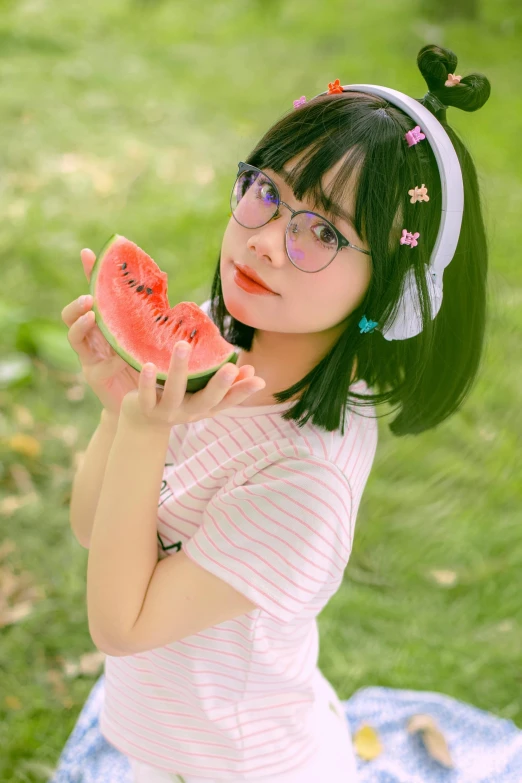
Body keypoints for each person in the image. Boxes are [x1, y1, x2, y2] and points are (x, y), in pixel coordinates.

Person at [60, 43, 491, 783]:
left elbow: (120, 624)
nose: (265, 242)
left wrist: (142, 427)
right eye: (266, 190)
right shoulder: (209, 341)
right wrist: (117, 409)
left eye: (322, 231)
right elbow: (94, 529)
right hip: (163, 748)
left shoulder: (305, 475)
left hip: (241, 765)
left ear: (388, 291)